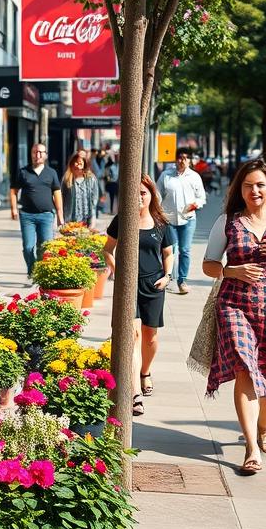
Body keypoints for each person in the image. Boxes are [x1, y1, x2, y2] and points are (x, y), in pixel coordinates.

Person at [201, 160, 266, 475]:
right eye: (247, 185)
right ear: (239, 189)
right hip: (234, 305)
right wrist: (232, 270)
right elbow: (209, 264)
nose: (253, 190)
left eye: (260, 184)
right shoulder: (227, 221)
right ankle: (251, 447)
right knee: (245, 367)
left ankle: (265, 426)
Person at [103, 175, 174, 417]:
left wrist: (168, 276)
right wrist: (117, 271)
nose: (139, 197)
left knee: (150, 337)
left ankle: (145, 371)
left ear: (152, 194)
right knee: (132, 335)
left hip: (153, 284)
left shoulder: (161, 222)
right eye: (134, 192)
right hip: (128, 287)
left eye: (143, 193)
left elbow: (168, 253)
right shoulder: (122, 219)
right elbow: (107, 250)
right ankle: (135, 393)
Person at [10, 143, 64, 281]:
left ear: (45, 155)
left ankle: (40, 273)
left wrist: (60, 216)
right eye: (34, 152)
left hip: (46, 215)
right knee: (28, 247)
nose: (37, 155)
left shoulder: (51, 173)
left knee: (45, 247)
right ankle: (32, 269)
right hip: (27, 216)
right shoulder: (23, 172)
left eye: (40, 152)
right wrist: (14, 209)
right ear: (31, 154)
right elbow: (13, 191)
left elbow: (57, 194)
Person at [157, 149, 207, 294]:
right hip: (169, 219)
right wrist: (158, 211)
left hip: (188, 219)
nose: (182, 160)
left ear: (190, 160)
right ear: (175, 159)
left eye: (186, 158)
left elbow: (201, 197)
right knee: (169, 250)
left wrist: (195, 205)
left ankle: (182, 281)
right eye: (180, 157)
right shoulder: (166, 176)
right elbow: (158, 194)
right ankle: (167, 277)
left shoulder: (194, 177)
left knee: (185, 250)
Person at [62, 150, 100, 227]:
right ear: (72, 163)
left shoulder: (91, 179)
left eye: (81, 160)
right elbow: (62, 199)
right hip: (70, 222)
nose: (79, 162)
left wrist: (92, 221)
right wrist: (62, 220)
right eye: (76, 161)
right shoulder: (66, 179)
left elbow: (94, 200)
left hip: (87, 221)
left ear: (85, 163)